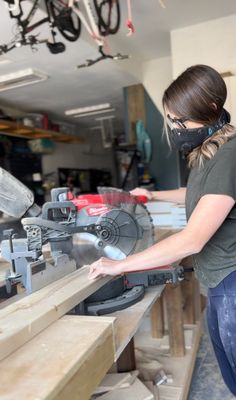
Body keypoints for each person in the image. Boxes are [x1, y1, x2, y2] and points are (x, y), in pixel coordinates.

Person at [88, 64, 236, 395]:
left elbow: (193, 239)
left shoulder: (230, 153)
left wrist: (121, 264)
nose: (176, 128)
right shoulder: (210, 152)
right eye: (172, 120)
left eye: (181, 121)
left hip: (232, 282)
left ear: (211, 110)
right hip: (220, 282)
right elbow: (202, 196)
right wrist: (152, 194)